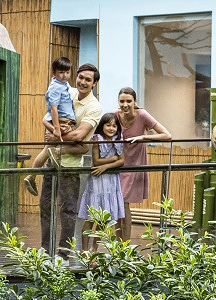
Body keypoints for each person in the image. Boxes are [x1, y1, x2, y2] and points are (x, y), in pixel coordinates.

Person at [39, 63, 102, 260]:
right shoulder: (68, 91)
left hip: (71, 165)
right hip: (52, 159)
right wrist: (55, 129)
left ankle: (64, 253)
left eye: (88, 80)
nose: (83, 82)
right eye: (80, 77)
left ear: (94, 83)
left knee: (68, 209)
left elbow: (80, 135)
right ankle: (45, 249)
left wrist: (55, 137)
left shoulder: (94, 107)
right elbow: (49, 114)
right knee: (45, 205)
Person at [114, 86, 171, 240]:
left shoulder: (142, 115)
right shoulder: (114, 115)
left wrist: (143, 137)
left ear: (135, 101)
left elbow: (167, 135)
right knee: (117, 203)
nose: (125, 105)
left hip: (134, 162)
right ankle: (118, 244)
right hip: (117, 162)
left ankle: (124, 245)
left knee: (123, 202)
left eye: (128, 101)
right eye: (122, 101)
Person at [23, 56, 76, 197]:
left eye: (67, 72)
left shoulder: (63, 85)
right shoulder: (55, 87)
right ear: (54, 73)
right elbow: (53, 109)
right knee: (52, 149)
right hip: (61, 120)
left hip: (61, 120)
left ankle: (32, 176)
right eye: (61, 72)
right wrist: (56, 128)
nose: (64, 76)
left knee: (47, 150)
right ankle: (32, 175)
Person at [77, 112, 125, 253]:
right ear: (102, 126)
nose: (111, 128)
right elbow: (96, 161)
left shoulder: (118, 140)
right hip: (98, 181)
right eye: (108, 125)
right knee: (91, 217)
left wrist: (106, 166)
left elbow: (122, 161)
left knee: (104, 218)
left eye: (114, 126)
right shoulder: (97, 139)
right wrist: (113, 159)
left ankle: (94, 248)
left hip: (111, 181)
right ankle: (84, 249)